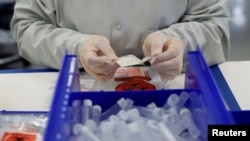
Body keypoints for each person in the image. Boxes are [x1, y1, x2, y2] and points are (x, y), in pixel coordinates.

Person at [10, 0, 231, 82]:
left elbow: (214, 23)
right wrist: (77, 48)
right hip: (78, 84)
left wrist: (177, 42)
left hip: (170, 80)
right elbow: (27, 25)